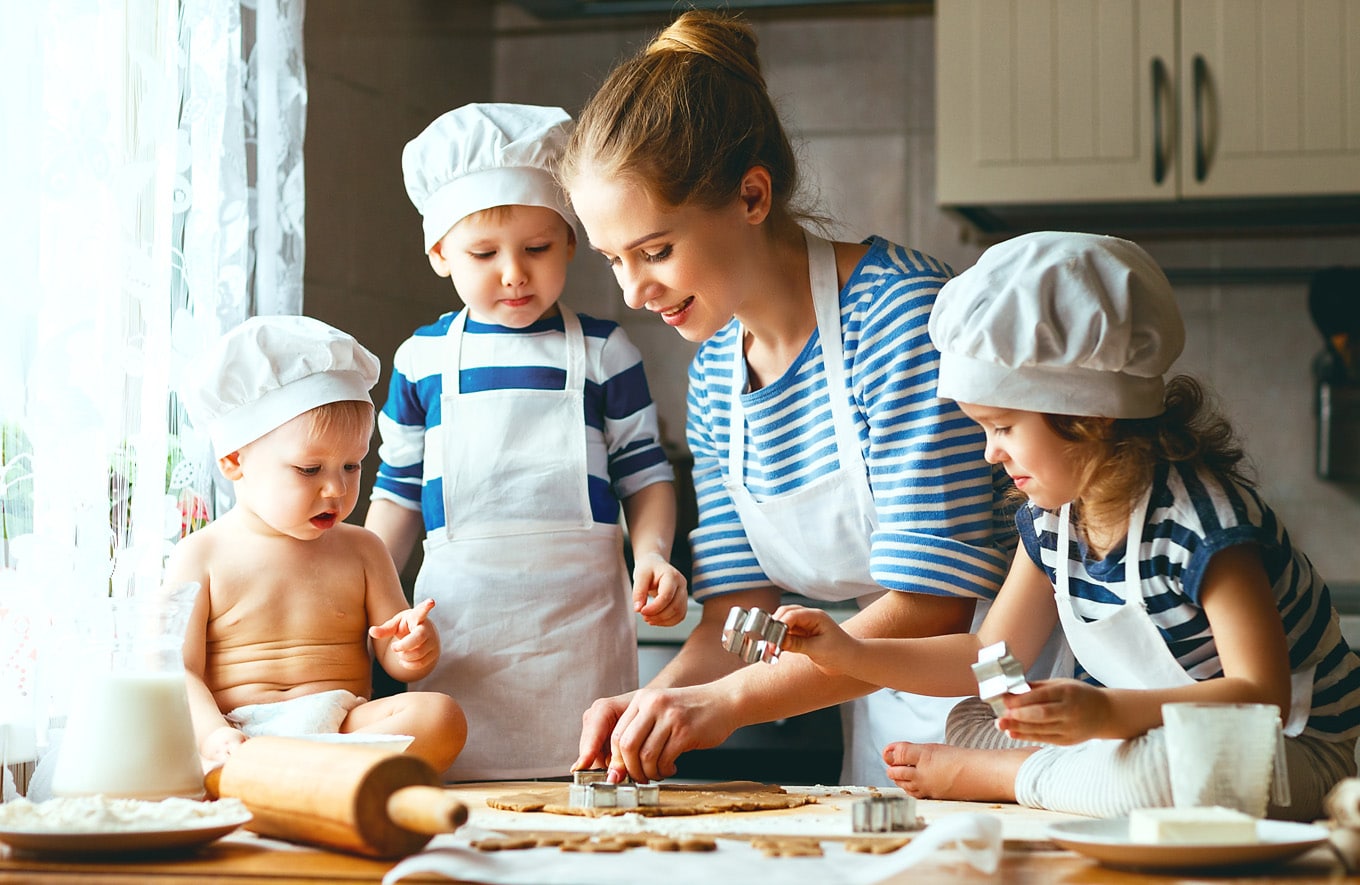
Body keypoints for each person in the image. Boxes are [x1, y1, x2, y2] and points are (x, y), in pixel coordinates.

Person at [558, 9, 1068, 787]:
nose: (633, 291)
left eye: (656, 250)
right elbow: (739, 616)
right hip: (886, 726)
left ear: (752, 196)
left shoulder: (900, 318)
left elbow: (932, 606)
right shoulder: (717, 374)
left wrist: (721, 705)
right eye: (613, 260)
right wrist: (650, 703)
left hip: (1022, 710)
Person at [773, 231, 1360, 820]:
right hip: (1139, 737)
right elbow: (988, 657)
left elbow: (1263, 699)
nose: (989, 454)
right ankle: (1051, 770)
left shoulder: (1203, 525)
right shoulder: (1056, 523)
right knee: (976, 718)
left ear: (1087, 416)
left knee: (1166, 771)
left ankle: (1002, 776)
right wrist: (850, 653)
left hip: (1296, 749)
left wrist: (1109, 716)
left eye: (1002, 427)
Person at [363, 102, 686, 781]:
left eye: (538, 248)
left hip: (581, 631)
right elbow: (395, 497)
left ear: (570, 242)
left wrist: (652, 552)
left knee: (587, 797)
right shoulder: (420, 360)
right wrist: (370, 600)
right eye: (485, 253)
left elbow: (645, 474)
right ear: (439, 253)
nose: (514, 272)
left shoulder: (605, 349)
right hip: (460, 631)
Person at [169, 315, 467, 774]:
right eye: (310, 470)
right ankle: (308, 778)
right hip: (239, 731)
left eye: (352, 466)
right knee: (182, 749)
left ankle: (293, 776)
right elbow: (179, 671)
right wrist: (214, 736)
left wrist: (411, 647)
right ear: (233, 459)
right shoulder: (202, 554)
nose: (336, 490)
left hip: (343, 726)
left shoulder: (364, 549)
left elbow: (391, 654)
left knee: (440, 716)